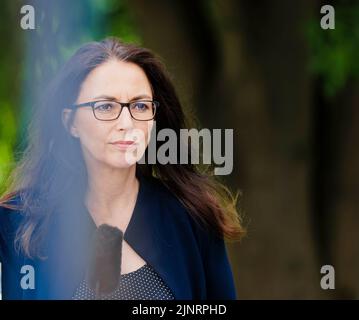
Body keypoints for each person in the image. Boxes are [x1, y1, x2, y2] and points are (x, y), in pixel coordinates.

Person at [0, 37, 245, 300]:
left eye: (140, 106)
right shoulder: (18, 223)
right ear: (70, 122)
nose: (126, 122)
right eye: (105, 106)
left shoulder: (193, 217)